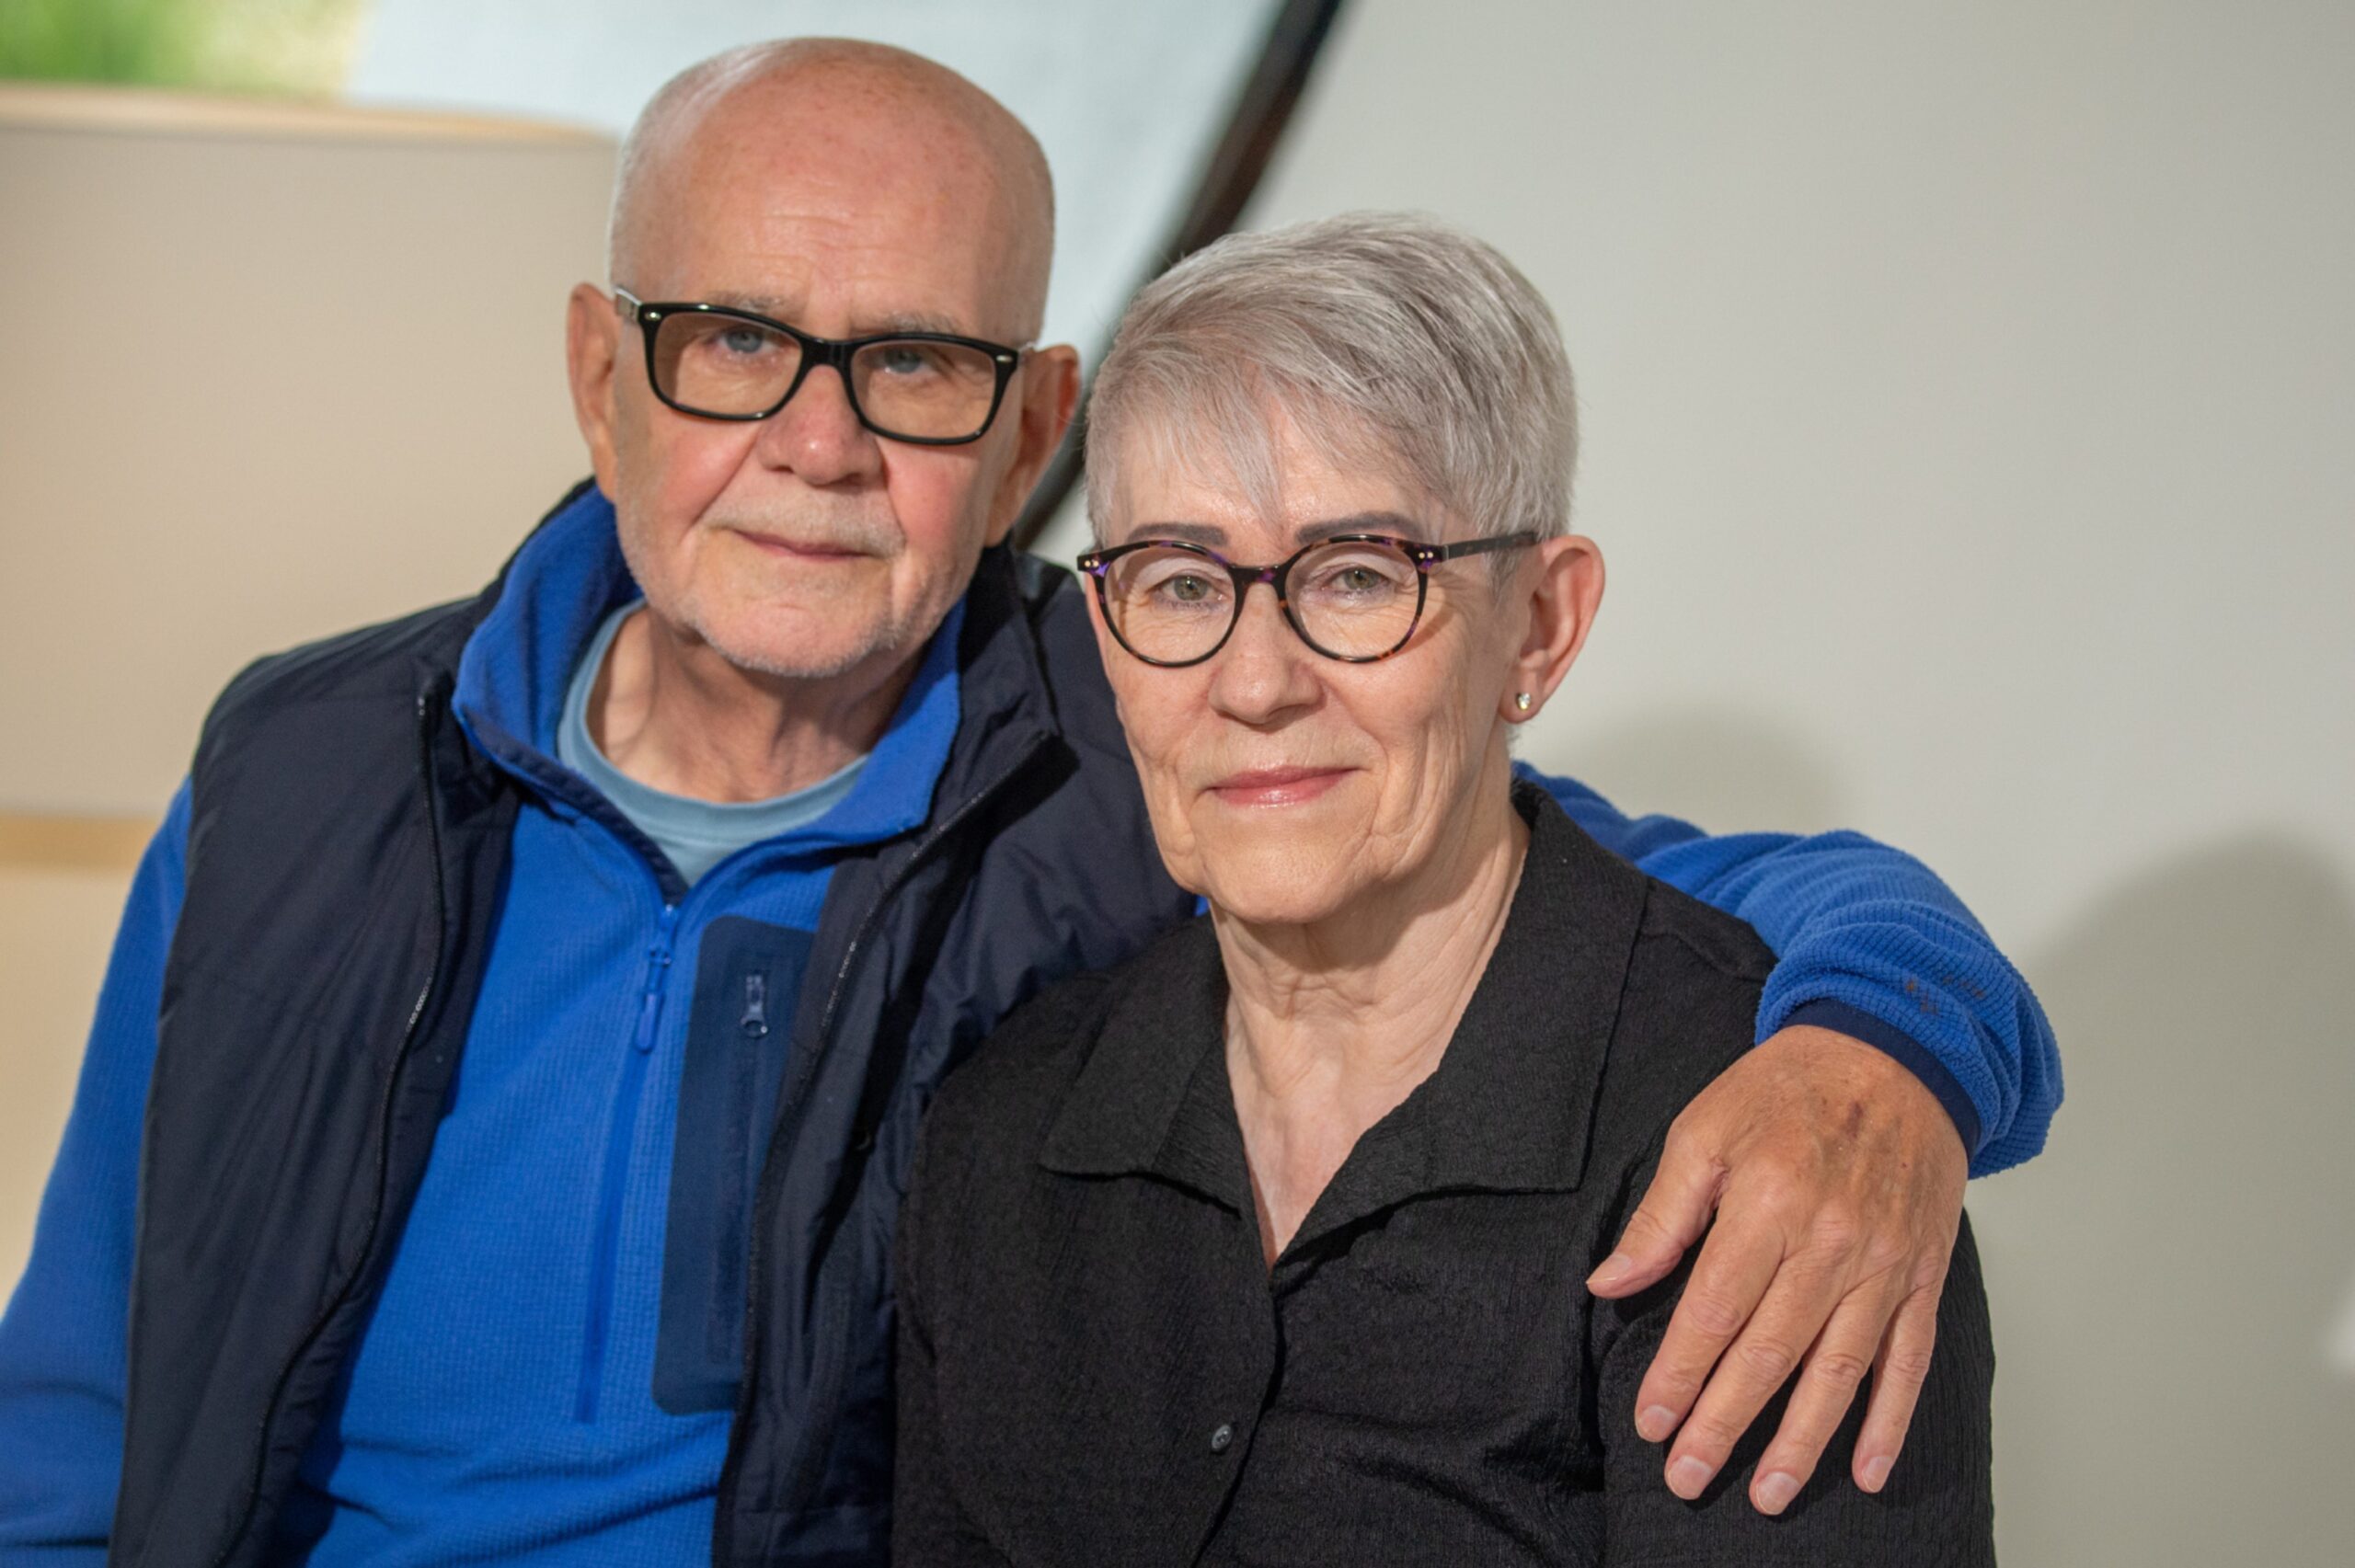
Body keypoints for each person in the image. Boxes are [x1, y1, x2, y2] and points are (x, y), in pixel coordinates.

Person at [0, 39, 2052, 1568]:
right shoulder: (299, 765)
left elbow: (1590, 866)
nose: (815, 443)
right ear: (598, 377)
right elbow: (84, 1393)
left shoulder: (1135, 745)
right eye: (732, 341)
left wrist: (1887, 1043)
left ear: (1028, 436)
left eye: (913, 365)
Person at [893, 212, 1995, 1566]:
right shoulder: (1001, 1127)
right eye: (1182, 583)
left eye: (1358, 576)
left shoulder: (1773, 1156)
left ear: (1539, 625)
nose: (1254, 681)